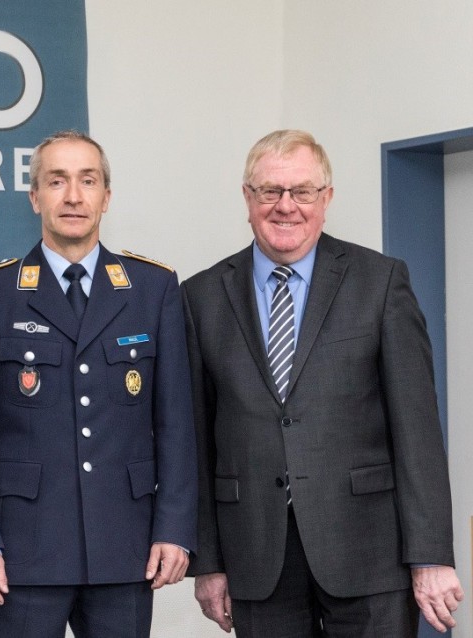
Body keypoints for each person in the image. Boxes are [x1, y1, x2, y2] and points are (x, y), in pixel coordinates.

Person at [183, 129, 464, 636]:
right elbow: (197, 442)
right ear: (248, 197)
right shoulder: (201, 296)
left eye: (303, 191)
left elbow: (417, 433)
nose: (285, 206)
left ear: (326, 199)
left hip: (370, 553)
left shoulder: (379, 282)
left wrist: (431, 557)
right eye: (270, 191)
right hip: (256, 556)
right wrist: (208, 561)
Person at [0, 130, 198, 638]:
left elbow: (177, 423)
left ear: (107, 196)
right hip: (22, 554)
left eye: (89, 181)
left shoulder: (153, 289)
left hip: (125, 548)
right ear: (34, 196)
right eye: (57, 181)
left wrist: (174, 529)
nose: (74, 196)